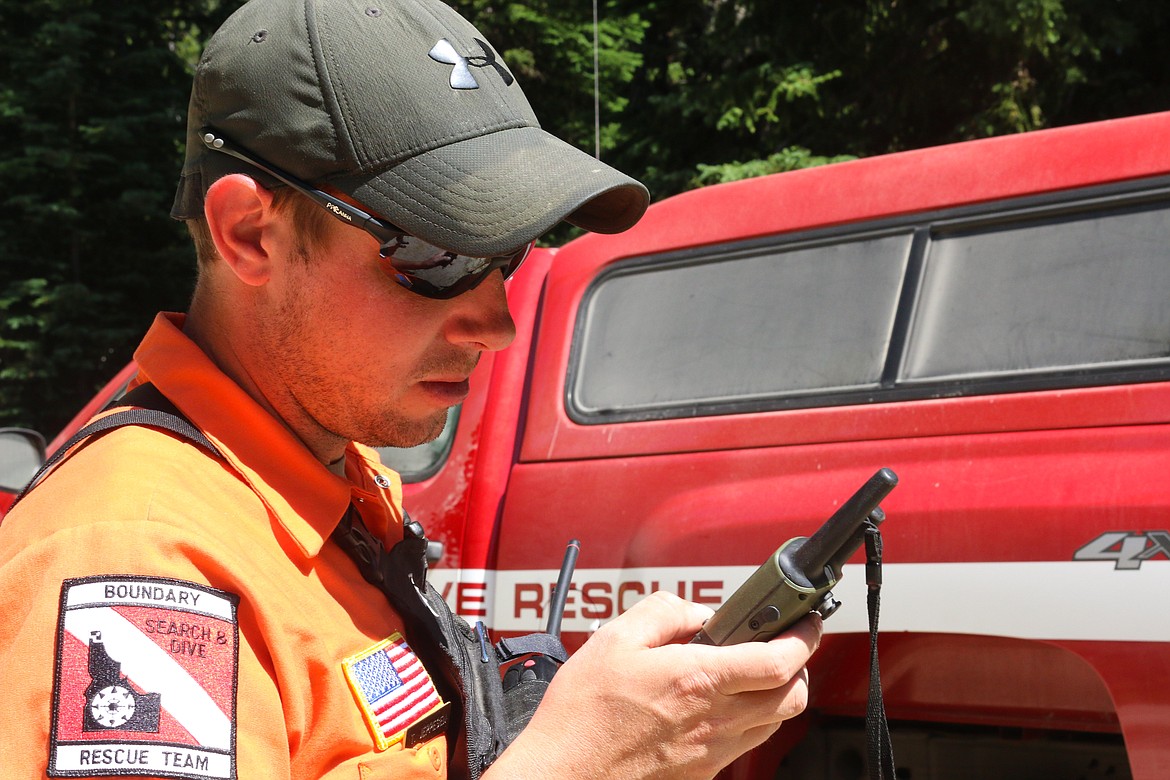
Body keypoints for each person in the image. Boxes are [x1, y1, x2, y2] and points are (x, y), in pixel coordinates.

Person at [0, 0, 821, 778]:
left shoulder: (336, 493)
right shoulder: (138, 558)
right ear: (250, 232)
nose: (496, 323)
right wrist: (576, 762)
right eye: (438, 259)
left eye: (506, 257)